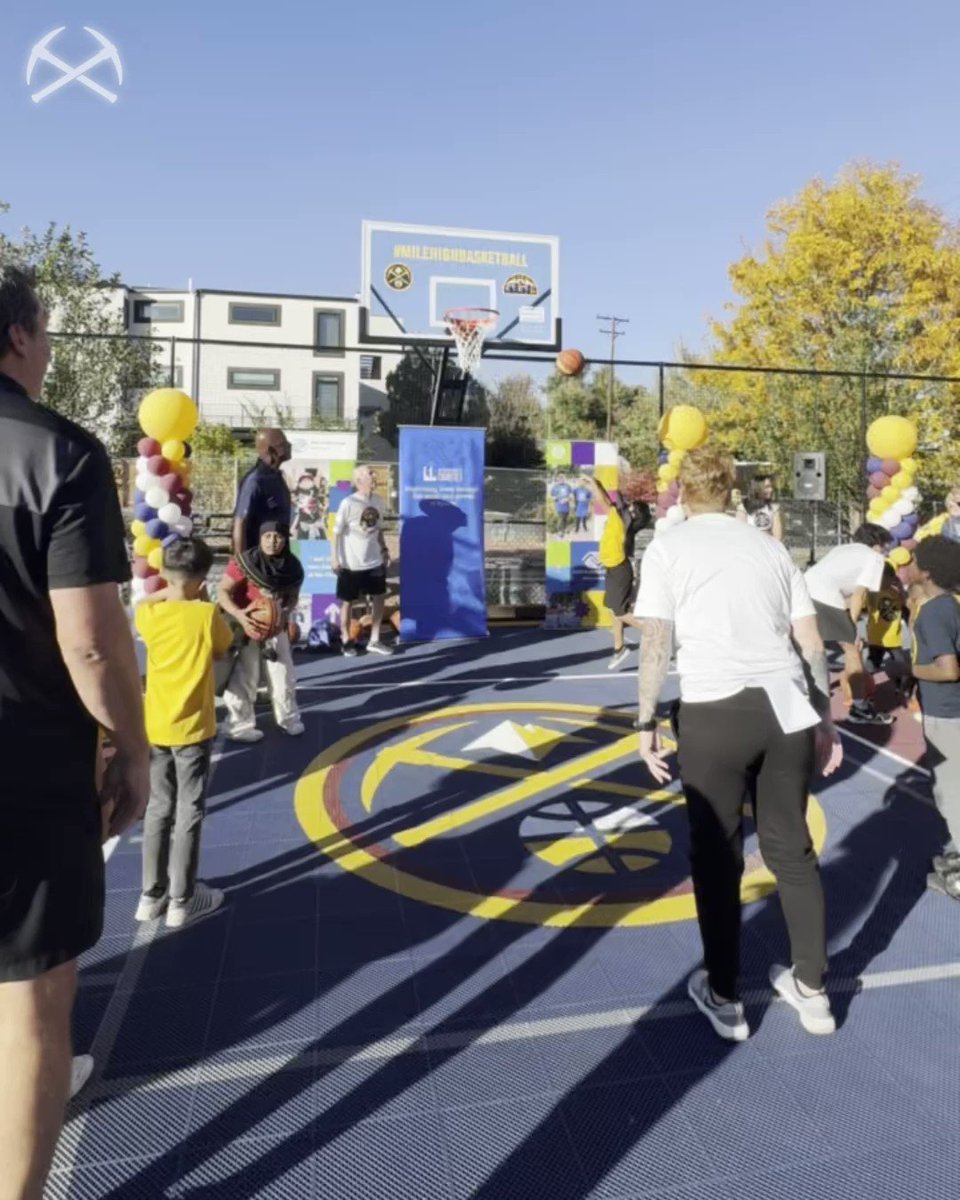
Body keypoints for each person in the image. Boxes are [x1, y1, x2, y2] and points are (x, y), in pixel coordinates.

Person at [0, 264, 149, 1198]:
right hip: (25, 767)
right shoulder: (57, 453)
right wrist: (131, 750)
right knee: (32, 1004)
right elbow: (91, 642)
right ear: (17, 336)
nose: (52, 349)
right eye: (47, 332)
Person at [633, 448, 842, 1043]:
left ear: (684, 493)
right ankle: (813, 990)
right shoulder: (770, 547)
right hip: (784, 708)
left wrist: (645, 719)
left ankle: (725, 995)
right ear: (732, 491)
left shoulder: (669, 548)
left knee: (718, 855)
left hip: (715, 709)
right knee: (792, 850)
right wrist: (823, 718)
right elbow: (809, 642)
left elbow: (656, 642)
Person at [134, 537, 234, 928]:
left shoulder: (150, 615)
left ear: (163, 574)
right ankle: (182, 898)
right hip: (193, 728)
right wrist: (196, 600)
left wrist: (172, 590)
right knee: (189, 811)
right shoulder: (206, 615)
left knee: (158, 808)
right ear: (202, 580)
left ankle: (150, 894)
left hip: (157, 724)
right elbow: (223, 649)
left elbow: (146, 603)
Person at [902, 537, 960, 899]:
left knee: (951, 795)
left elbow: (948, 669)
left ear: (926, 571)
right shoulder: (948, 605)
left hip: (945, 712)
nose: (907, 563)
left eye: (913, 559)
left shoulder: (937, 611)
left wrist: (910, 669)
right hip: (951, 710)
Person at [218, 520, 305, 741]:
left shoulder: (292, 566)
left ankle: (289, 719)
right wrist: (240, 615)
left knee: (284, 674)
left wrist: (284, 613)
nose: (272, 541)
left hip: (276, 628)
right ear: (260, 538)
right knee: (246, 676)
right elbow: (223, 592)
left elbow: (292, 596)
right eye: (267, 536)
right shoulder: (244, 562)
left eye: (278, 537)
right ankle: (239, 726)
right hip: (247, 625)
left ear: (285, 540)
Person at [803, 522, 893, 725]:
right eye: (885, 546)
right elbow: (858, 596)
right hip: (823, 595)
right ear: (877, 543)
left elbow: (843, 589)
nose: (886, 551)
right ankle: (860, 709)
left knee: (806, 645)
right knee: (852, 651)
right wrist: (852, 629)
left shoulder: (843, 549)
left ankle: (802, 697)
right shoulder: (874, 558)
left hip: (803, 588)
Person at [585, 477, 650, 670]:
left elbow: (605, 502)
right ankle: (619, 648)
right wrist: (597, 483)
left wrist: (594, 484)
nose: (626, 505)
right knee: (616, 611)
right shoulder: (621, 521)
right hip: (616, 570)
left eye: (631, 505)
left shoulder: (619, 520)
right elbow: (607, 500)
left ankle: (652, 633)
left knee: (620, 612)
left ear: (632, 513)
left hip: (620, 570)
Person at [332, 466, 394, 656]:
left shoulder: (378, 501)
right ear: (359, 481)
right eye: (369, 473)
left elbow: (378, 529)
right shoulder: (348, 503)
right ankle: (346, 640)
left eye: (373, 473)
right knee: (347, 601)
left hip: (374, 561)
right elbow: (336, 533)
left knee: (379, 598)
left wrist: (384, 549)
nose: (374, 476)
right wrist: (334, 558)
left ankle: (374, 639)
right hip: (351, 563)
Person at [232, 427, 292, 554]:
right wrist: (241, 563)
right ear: (271, 451)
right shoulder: (255, 481)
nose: (289, 446)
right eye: (283, 444)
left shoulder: (277, 477)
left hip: (277, 557)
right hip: (258, 559)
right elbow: (240, 521)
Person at [737, 474, 784, 540]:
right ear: (757, 488)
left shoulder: (774, 508)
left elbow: (778, 537)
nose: (771, 490)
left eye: (771, 487)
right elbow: (740, 533)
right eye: (767, 487)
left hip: (768, 547)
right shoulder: (743, 507)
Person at [550, 473, 572, 538]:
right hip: (559, 505)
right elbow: (552, 496)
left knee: (565, 518)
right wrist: (556, 498)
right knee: (561, 518)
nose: (561, 479)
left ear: (564, 479)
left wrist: (567, 499)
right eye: (560, 478)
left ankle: (564, 530)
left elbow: (570, 495)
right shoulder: (555, 487)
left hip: (566, 505)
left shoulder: (568, 486)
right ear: (558, 479)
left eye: (562, 478)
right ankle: (560, 532)